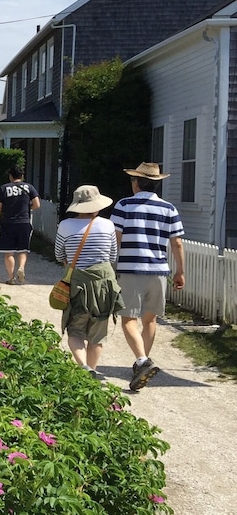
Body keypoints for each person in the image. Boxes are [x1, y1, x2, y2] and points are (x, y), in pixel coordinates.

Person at [110, 162, 185, 391]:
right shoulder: (169, 209)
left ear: (136, 182)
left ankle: (142, 360)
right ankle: (142, 363)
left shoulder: (124, 205)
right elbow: (177, 243)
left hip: (130, 269)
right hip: (158, 270)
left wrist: (111, 266)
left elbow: (115, 238)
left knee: (128, 319)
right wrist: (180, 271)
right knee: (150, 320)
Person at [55, 185, 122, 378]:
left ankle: (84, 367)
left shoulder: (65, 225)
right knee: (97, 333)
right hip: (104, 284)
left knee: (75, 330)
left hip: (77, 284)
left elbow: (59, 254)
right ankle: (91, 372)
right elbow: (112, 256)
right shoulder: (108, 225)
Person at [0, 165, 41, 284]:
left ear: (10, 176)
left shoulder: (4, 188)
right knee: (23, 250)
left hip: (8, 223)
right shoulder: (29, 187)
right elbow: (37, 204)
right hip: (24, 222)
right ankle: (21, 268)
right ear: (22, 176)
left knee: (9, 253)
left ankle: (11, 278)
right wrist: (27, 209)